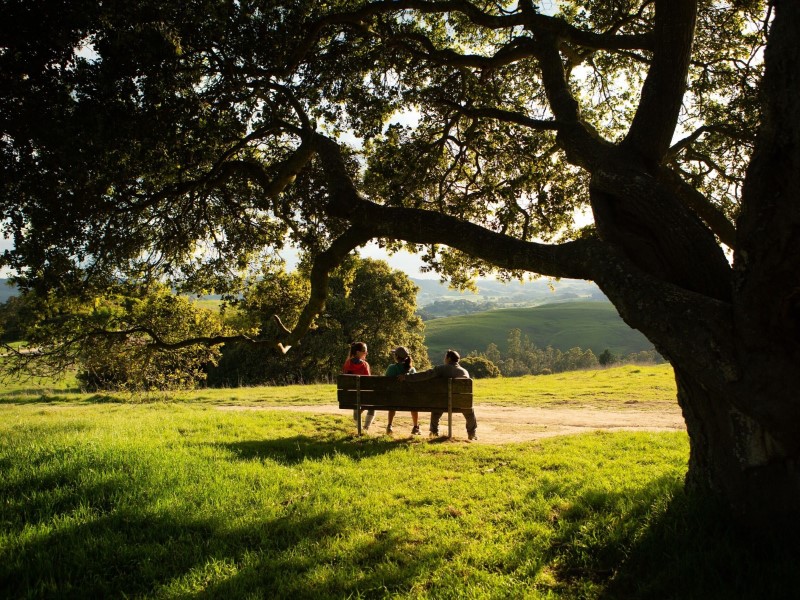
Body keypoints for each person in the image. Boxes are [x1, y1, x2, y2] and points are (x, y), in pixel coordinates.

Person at [398, 349, 477, 440]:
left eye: (445, 357)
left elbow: (425, 375)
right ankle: (472, 433)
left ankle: (434, 431)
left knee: (437, 406)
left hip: (441, 402)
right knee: (468, 408)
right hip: (460, 403)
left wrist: (406, 377)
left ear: (449, 359)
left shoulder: (441, 369)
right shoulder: (464, 372)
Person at [384, 346, 420, 435]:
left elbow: (385, 382)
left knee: (393, 398)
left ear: (396, 356)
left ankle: (389, 425)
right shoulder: (412, 370)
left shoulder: (391, 368)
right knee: (413, 400)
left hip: (394, 400)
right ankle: (415, 427)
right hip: (409, 400)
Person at [342, 341, 375, 431]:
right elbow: (368, 382)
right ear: (357, 352)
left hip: (350, 396)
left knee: (357, 406)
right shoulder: (365, 365)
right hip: (364, 395)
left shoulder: (347, 364)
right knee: (372, 406)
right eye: (364, 351)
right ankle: (366, 428)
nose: (366, 353)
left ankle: (359, 428)